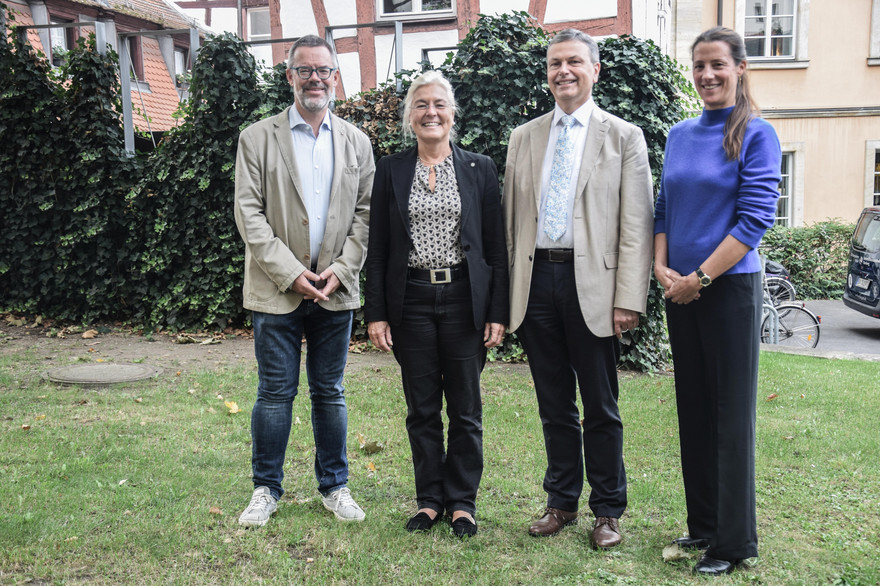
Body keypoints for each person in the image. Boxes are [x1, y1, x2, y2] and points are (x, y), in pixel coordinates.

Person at [502, 29, 654, 548]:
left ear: (595, 70)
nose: (563, 71)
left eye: (573, 62)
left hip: (595, 284)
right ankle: (562, 502)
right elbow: (509, 223)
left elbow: (636, 223)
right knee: (553, 403)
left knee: (601, 404)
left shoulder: (624, 136)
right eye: (554, 64)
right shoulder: (523, 137)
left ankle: (608, 509)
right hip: (536, 280)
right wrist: (507, 295)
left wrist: (629, 297)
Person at [653, 27, 780, 576]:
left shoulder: (756, 132)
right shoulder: (680, 133)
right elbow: (663, 207)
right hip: (680, 288)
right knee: (695, 411)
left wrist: (699, 277)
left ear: (740, 68)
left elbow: (755, 219)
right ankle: (702, 524)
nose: (707, 75)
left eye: (718, 65)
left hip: (727, 291)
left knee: (730, 416)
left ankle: (733, 542)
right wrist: (661, 266)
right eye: (700, 65)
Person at [233, 35, 374, 528]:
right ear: (289, 76)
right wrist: (292, 274)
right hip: (276, 291)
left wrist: (340, 270)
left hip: (336, 290)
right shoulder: (257, 138)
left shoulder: (357, 141)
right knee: (274, 393)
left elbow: (366, 215)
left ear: (336, 77)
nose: (316, 78)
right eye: (305, 70)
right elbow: (249, 215)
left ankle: (335, 487)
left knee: (330, 392)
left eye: (324, 70)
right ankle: (265, 490)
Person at [364, 70, 509, 539]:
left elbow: (495, 249)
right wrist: (377, 312)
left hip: (466, 298)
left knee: (466, 408)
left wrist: (497, 311)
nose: (431, 112)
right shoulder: (391, 170)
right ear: (410, 115)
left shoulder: (480, 167)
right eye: (422, 104)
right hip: (413, 300)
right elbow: (380, 247)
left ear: (452, 113)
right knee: (422, 408)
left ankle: (463, 502)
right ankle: (430, 500)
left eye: (439, 104)